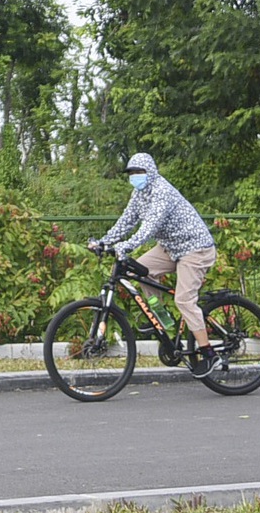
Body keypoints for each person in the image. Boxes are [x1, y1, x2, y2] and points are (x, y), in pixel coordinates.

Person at [89, 153, 221, 377]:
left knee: (184, 300)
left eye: (139, 172)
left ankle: (209, 354)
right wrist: (104, 241)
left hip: (195, 249)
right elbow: (126, 221)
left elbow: (148, 227)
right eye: (131, 173)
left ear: (150, 172)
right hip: (170, 247)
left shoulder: (162, 192)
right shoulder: (139, 193)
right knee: (140, 270)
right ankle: (161, 317)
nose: (134, 177)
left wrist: (126, 246)